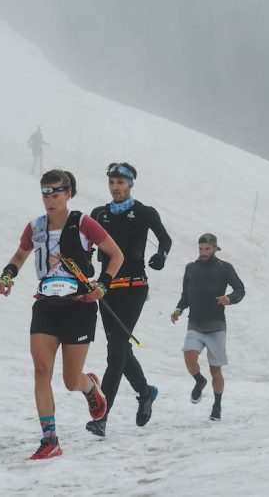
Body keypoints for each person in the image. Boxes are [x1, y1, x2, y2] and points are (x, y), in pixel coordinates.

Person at [0, 169, 124, 460]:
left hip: (79, 305)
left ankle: (90, 386)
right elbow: (20, 256)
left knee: (70, 380)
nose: (50, 199)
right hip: (46, 305)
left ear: (68, 194)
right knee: (41, 371)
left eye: (56, 193)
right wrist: (7, 276)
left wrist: (103, 284)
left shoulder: (83, 223)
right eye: (45, 193)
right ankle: (50, 440)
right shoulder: (36, 226)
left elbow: (116, 255)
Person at [85, 162, 173, 437]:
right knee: (120, 348)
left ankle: (102, 416)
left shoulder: (144, 212)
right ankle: (146, 393)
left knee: (116, 349)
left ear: (131, 184)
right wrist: (85, 263)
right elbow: (85, 244)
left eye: (121, 182)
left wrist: (161, 256)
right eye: (112, 182)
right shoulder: (98, 213)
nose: (115, 187)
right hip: (106, 289)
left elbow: (165, 239)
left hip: (135, 286)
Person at [171, 234, 245, 421]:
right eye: (201, 248)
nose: (203, 252)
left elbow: (240, 289)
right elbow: (185, 295)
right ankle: (199, 380)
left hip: (216, 325)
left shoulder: (225, 268)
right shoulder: (190, 268)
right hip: (195, 323)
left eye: (207, 249)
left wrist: (229, 298)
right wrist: (179, 309)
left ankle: (217, 405)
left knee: (215, 370)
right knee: (189, 356)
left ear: (215, 249)